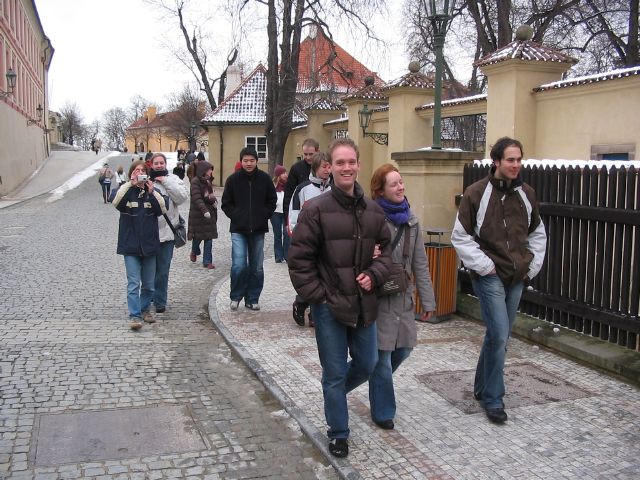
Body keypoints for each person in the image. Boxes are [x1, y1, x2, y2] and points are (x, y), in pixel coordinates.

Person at [287, 138, 392, 458]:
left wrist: (374, 274)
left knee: (368, 363)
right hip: (329, 307)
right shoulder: (315, 209)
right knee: (333, 372)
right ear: (329, 168)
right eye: (340, 163)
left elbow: (388, 255)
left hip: (363, 304)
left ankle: (332, 395)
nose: (346, 168)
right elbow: (299, 261)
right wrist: (319, 297)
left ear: (359, 165)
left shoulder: (373, 210)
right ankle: (339, 432)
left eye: (351, 162)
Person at [451, 136, 546, 424]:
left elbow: (537, 233)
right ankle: (494, 398)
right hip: (489, 275)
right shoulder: (476, 193)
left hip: (517, 276)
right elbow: (460, 236)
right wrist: (486, 267)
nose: (516, 165)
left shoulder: (526, 194)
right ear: (496, 162)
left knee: (497, 336)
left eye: (519, 159)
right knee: (500, 335)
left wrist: (530, 267)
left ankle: (482, 388)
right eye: (510, 160)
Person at [367, 164, 436, 430]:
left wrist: (428, 301)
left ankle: (375, 379)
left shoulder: (412, 221)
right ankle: (384, 411)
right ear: (380, 190)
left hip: (403, 296)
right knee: (383, 356)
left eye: (401, 182)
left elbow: (421, 263)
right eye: (393, 183)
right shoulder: (371, 217)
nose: (400, 187)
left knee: (404, 349)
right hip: (379, 296)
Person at [113, 160, 167, 330]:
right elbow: (116, 203)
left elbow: (162, 209)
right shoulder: (126, 190)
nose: (139, 174)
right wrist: (130, 184)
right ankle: (135, 315)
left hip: (150, 245)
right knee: (133, 283)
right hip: (130, 245)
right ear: (131, 174)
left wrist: (151, 192)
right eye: (136, 171)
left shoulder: (153, 192)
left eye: (142, 171)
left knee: (149, 285)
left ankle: (145, 310)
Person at [221, 147, 277, 311]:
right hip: (238, 229)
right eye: (245, 160)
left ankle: (252, 298)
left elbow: (272, 200)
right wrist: (236, 215)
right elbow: (226, 203)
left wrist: (264, 215)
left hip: (258, 229)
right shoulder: (233, 180)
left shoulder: (265, 179)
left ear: (256, 161)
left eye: (252, 160)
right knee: (239, 265)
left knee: (257, 267)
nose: (249, 163)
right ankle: (236, 296)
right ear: (241, 161)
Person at [288, 151, 332, 327]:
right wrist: (297, 236)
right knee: (312, 278)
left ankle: (314, 313)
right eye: (324, 167)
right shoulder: (303, 189)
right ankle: (301, 303)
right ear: (315, 168)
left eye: (329, 166)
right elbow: (293, 215)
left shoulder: (335, 189)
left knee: (325, 277)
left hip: (329, 243)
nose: (327, 170)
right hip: (308, 242)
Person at [149, 153, 188, 312]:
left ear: (165, 164)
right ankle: (149, 295)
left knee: (163, 270)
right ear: (151, 165)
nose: (159, 166)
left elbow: (181, 198)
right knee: (149, 269)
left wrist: (165, 181)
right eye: (156, 163)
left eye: (161, 163)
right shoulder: (146, 180)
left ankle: (160, 301)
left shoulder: (173, 179)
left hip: (168, 233)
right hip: (149, 234)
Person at [188, 161, 218, 269]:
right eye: (209, 169)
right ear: (203, 170)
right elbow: (197, 198)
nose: (211, 171)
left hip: (209, 213)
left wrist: (214, 202)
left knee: (209, 237)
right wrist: (204, 210)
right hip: (198, 214)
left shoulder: (208, 181)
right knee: (198, 237)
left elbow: (210, 195)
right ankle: (194, 250)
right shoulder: (195, 181)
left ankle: (207, 261)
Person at [283, 138, 319, 222]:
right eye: (305, 154)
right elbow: (289, 194)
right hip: (300, 213)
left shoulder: (325, 167)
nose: (308, 157)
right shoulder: (296, 168)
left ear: (318, 151)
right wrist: (287, 218)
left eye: (311, 154)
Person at [270, 165, 289, 263]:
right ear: (278, 175)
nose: (285, 175)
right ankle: (278, 256)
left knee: (287, 234)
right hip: (275, 213)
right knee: (277, 234)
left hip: (286, 212)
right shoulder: (273, 186)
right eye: (283, 173)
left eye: (285, 172)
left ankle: (287, 255)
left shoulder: (289, 185)